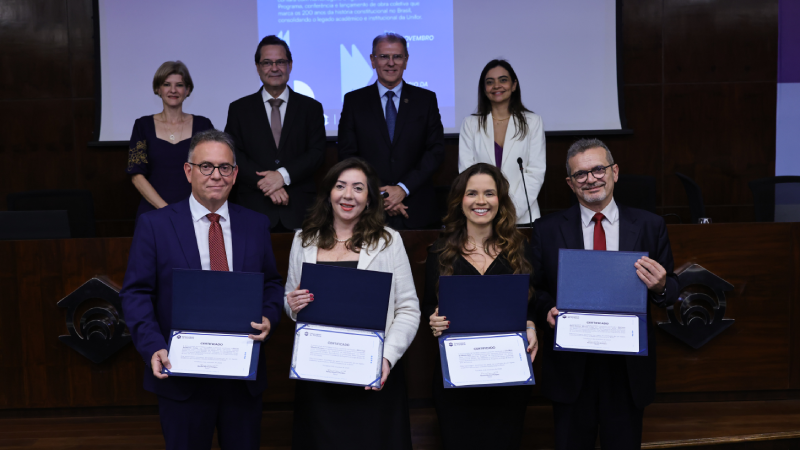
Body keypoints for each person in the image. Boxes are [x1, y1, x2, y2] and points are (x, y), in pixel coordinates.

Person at [120, 129, 284, 450]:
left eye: (224, 168)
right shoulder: (155, 225)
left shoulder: (256, 223)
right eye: (206, 166)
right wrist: (152, 345)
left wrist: (268, 317)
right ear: (188, 171)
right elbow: (136, 293)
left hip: (242, 378)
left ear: (235, 175)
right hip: (181, 378)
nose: (216, 176)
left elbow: (272, 284)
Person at [528, 138, 679, 449]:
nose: (591, 179)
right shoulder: (546, 229)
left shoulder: (650, 225)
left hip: (626, 374)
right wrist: (545, 311)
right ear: (570, 183)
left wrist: (662, 285)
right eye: (580, 174)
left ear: (615, 172)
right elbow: (534, 288)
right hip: (572, 370)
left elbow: (670, 290)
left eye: (598, 169)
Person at [283, 157, 420, 449]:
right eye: (340, 186)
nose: (348, 195)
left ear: (369, 198)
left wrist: (386, 357)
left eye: (358, 188)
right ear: (328, 193)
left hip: (372, 374)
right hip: (319, 374)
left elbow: (408, 309)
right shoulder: (303, 240)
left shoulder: (388, 241)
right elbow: (290, 302)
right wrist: (292, 305)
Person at [423, 163, 538, 449]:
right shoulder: (439, 252)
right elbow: (428, 307)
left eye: (489, 193)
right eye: (472, 193)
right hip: (458, 383)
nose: (481, 201)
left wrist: (532, 324)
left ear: (500, 200)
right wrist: (433, 320)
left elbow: (533, 304)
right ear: (460, 200)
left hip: (507, 382)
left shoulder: (520, 249)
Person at [338, 33, 445, 230]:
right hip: (369, 210)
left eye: (397, 56)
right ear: (372, 60)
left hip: (417, 209)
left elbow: (435, 150)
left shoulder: (426, 100)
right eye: (383, 57)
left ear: (406, 61)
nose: (391, 63)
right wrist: (382, 196)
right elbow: (348, 154)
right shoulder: (354, 101)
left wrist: (403, 189)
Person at [225, 35, 325, 232]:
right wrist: (267, 184)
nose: (274, 68)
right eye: (267, 63)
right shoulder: (239, 109)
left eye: (280, 62)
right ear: (258, 67)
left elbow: (317, 153)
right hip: (252, 207)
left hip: (300, 209)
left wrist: (282, 176)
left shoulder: (311, 108)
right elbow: (233, 154)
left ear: (290, 65)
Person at [458, 59, 546, 226]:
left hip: (522, 216)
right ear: (484, 89)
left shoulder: (533, 122)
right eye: (490, 82)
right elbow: (467, 174)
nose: (496, 86)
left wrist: (510, 210)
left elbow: (535, 172)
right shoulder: (470, 124)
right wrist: (489, 208)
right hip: (481, 215)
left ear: (514, 85)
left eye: (503, 80)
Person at [127, 61, 214, 219]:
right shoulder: (142, 126)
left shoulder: (204, 125)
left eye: (179, 85)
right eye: (167, 84)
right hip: (153, 213)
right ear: (157, 89)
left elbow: (213, 170)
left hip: (195, 213)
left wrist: (191, 210)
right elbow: (136, 175)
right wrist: (167, 210)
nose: (173, 90)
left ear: (187, 90)